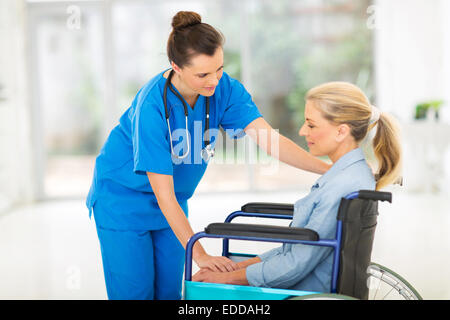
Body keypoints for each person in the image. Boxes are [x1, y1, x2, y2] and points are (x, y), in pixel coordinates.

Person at [86, 11, 330, 300]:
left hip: (173, 205)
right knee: (135, 293)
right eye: (202, 74)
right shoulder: (152, 107)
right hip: (122, 203)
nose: (213, 81)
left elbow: (269, 141)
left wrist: (327, 170)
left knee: (168, 293)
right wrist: (200, 254)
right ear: (176, 66)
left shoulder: (223, 89)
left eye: (219, 69)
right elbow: (162, 194)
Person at [193, 81, 402, 293]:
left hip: (307, 290)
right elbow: (297, 249)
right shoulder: (350, 174)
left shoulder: (341, 185)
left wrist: (228, 279)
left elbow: (295, 264)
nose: (302, 131)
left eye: (311, 125)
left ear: (341, 131)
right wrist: (239, 267)